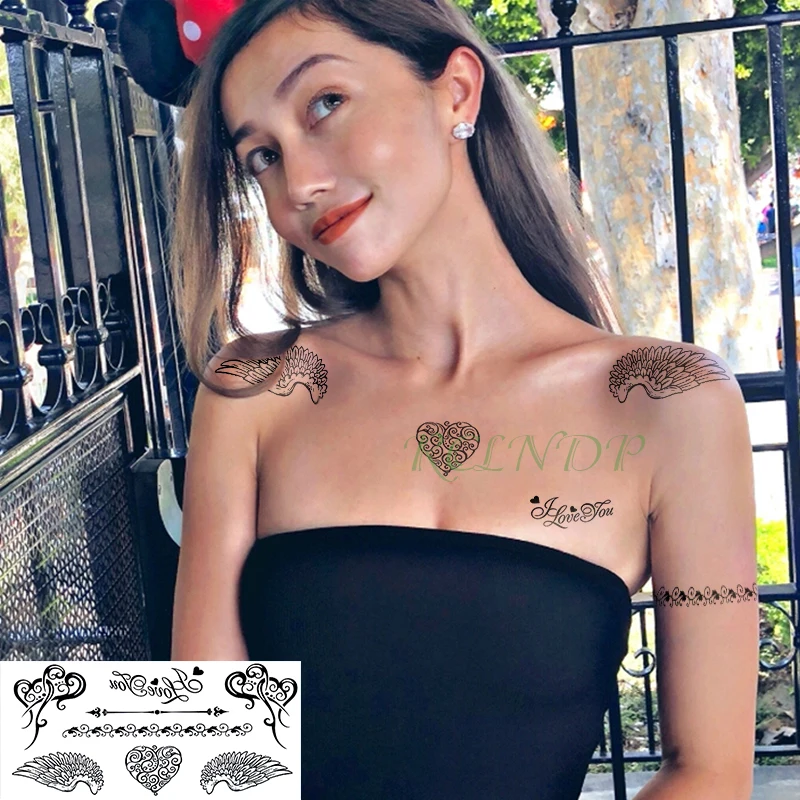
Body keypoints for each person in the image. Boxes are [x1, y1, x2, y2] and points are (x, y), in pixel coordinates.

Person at [119, 1, 758, 797]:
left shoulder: (669, 402)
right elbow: (202, 747)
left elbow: (710, 773)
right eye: (262, 156)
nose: (300, 183)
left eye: (325, 103)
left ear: (456, 90)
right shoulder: (256, 388)